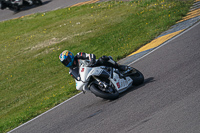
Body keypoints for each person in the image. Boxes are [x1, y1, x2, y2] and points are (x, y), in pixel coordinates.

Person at [59, 50, 127, 80]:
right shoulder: (71, 71)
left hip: (95, 65)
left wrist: (92, 61)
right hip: (89, 75)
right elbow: (78, 78)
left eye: (67, 60)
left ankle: (119, 67)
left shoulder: (79, 55)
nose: (67, 63)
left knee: (103, 59)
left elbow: (90, 55)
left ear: (70, 56)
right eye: (65, 62)